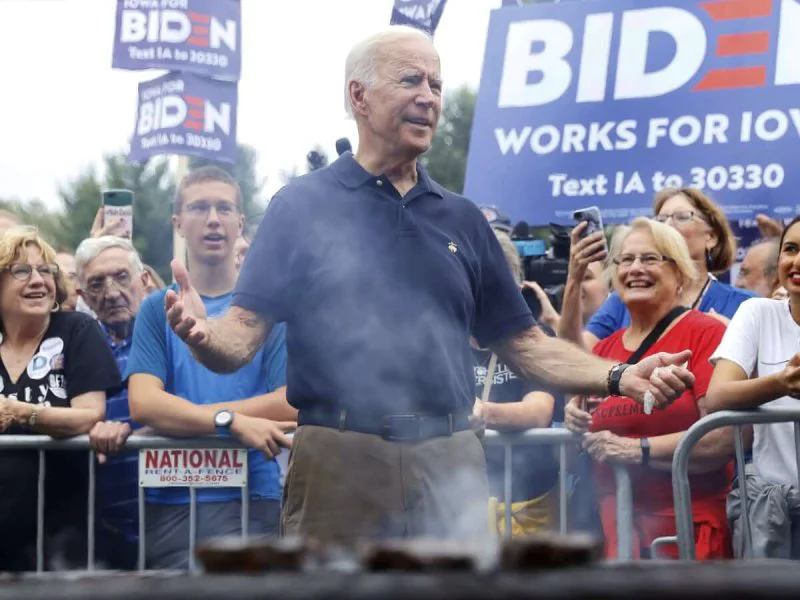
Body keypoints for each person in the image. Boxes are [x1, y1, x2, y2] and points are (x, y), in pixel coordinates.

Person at [163, 26, 695, 545]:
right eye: (411, 81)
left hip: (451, 459)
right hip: (339, 461)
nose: (429, 98)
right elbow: (240, 335)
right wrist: (202, 335)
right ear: (359, 96)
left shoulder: (462, 219)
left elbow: (529, 346)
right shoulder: (300, 206)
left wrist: (619, 375)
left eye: (436, 86)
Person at [126, 166, 295, 570]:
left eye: (224, 208)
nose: (213, 218)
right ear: (178, 223)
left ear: (240, 222)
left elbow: (289, 403)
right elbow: (144, 404)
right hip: (170, 493)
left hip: (253, 494)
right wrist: (228, 420)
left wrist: (208, 418)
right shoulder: (156, 307)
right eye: (200, 207)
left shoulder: (269, 309)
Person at [564, 218, 734, 559]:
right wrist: (575, 424)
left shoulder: (706, 334)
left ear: (681, 274)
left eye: (650, 259)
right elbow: (574, 455)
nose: (635, 269)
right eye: (626, 260)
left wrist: (636, 449)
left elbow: (723, 438)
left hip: (686, 537)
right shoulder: (603, 351)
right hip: (613, 536)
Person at [0, 227, 120, 571]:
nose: (38, 280)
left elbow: (89, 416)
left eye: (46, 271)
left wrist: (18, 411)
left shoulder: (76, 330)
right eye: (21, 271)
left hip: (64, 531)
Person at [706, 216, 800, 556]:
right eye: (791, 249)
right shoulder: (758, 313)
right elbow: (717, 396)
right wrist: (781, 383)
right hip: (774, 513)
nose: (797, 260)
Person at [565, 188, 753, 350]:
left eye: (681, 217)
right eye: (660, 219)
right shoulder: (624, 299)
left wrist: (731, 337)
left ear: (711, 237)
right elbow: (577, 357)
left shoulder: (745, 305)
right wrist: (574, 280)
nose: (668, 226)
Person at [473, 230, 561, 536]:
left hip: (529, 501)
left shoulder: (537, 340)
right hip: (459, 500)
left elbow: (538, 411)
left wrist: (480, 412)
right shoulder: (442, 340)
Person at [74, 236, 150, 569]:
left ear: (144, 280)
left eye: (121, 276)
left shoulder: (174, 334)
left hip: (171, 511)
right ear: (82, 296)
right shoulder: (70, 344)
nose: (112, 292)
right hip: (97, 521)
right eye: (96, 283)